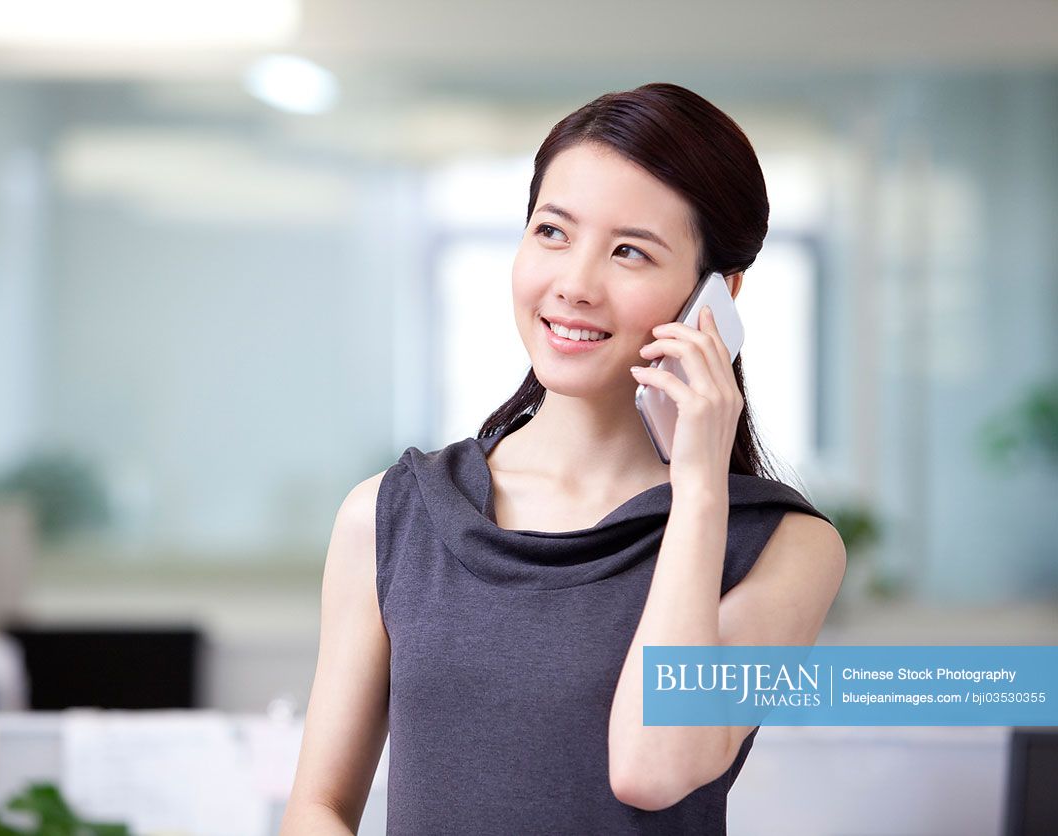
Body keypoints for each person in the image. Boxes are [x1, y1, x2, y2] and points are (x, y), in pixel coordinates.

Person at [280, 82, 846, 835]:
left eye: (628, 251)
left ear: (716, 299)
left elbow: (651, 768)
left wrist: (699, 491)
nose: (574, 285)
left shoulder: (782, 548)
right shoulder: (390, 518)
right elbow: (317, 807)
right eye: (552, 232)